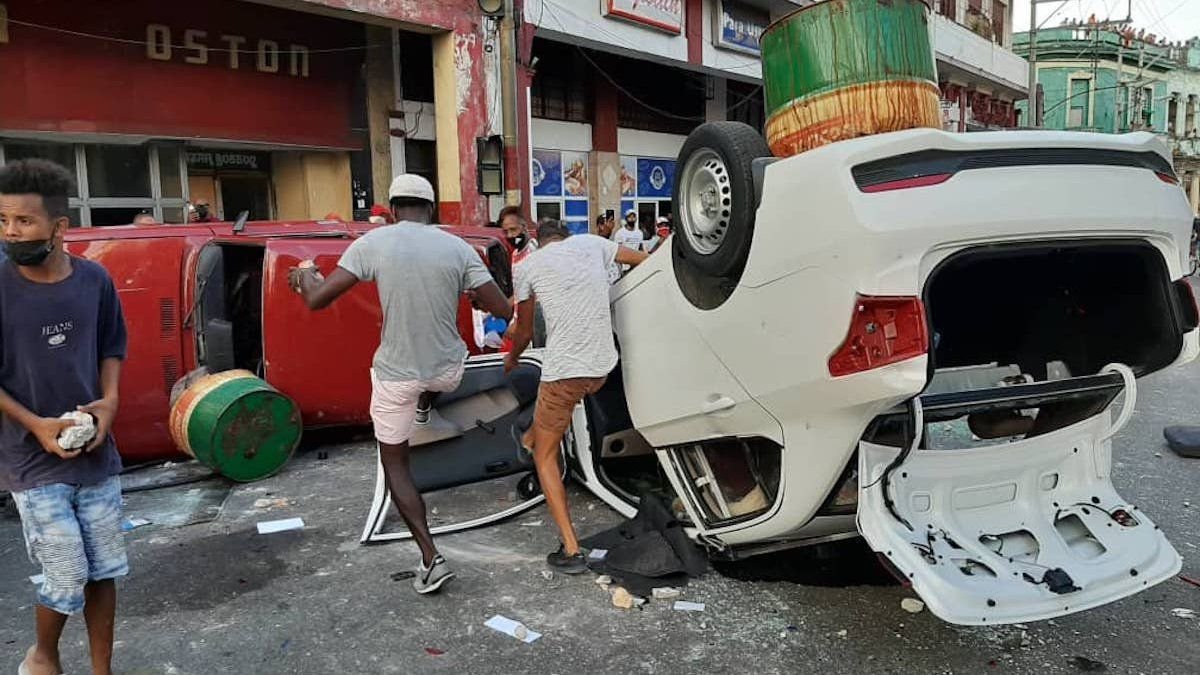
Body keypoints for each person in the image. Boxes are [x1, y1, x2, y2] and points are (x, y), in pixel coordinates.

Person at [288, 174, 512, 594]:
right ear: (431, 210)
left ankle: (431, 557)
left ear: (392, 209)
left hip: (396, 374)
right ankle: (425, 404)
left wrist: (303, 276)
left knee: (395, 463)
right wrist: (474, 295)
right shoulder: (458, 247)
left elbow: (317, 299)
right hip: (449, 371)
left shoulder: (373, 243)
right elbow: (501, 307)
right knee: (436, 375)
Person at [0, 159, 128, 675]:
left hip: (94, 452)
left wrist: (110, 404)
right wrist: (36, 425)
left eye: (23, 222)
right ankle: (43, 655)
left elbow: (111, 348)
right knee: (68, 570)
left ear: (59, 228)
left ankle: (102, 669)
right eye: (2, 220)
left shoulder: (94, 281)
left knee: (103, 570)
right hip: (29, 459)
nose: (11, 232)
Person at [505, 220, 647, 572]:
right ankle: (531, 437)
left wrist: (511, 358)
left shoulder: (528, 266)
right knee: (545, 420)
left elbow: (522, 331)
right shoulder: (594, 244)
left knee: (544, 453)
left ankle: (570, 549)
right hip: (602, 367)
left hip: (565, 375)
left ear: (539, 242)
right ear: (568, 238)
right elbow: (644, 260)